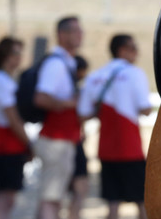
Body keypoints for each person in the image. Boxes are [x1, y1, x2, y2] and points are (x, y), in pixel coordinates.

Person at [78, 34, 152, 219]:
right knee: (142, 201)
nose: (137, 52)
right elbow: (146, 109)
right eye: (133, 48)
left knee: (112, 202)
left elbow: (83, 113)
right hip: (130, 148)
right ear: (122, 50)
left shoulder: (95, 77)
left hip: (106, 149)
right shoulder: (135, 74)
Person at [33, 16, 82, 219]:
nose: (80, 36)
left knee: (53, 196)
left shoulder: (65, 63)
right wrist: (70, 103)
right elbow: (41, 98)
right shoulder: (56, 64)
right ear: (62, 34)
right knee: (51, 198)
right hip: (56, 140)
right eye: (75, 31)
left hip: (62, 140)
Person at [0, 37, 31, 219]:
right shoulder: (1, 82)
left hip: (11, 146)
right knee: (6, 199)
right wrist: (29, 144)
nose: (19, 57)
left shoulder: (7, 80)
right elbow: (13, 119)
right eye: (16, 53)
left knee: (9, 198)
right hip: (7, 147)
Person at [68, 55, 90, 219]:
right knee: (80, 188)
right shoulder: (74, 90)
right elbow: (80, 115)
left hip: (71, 140)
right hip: (72, 141)